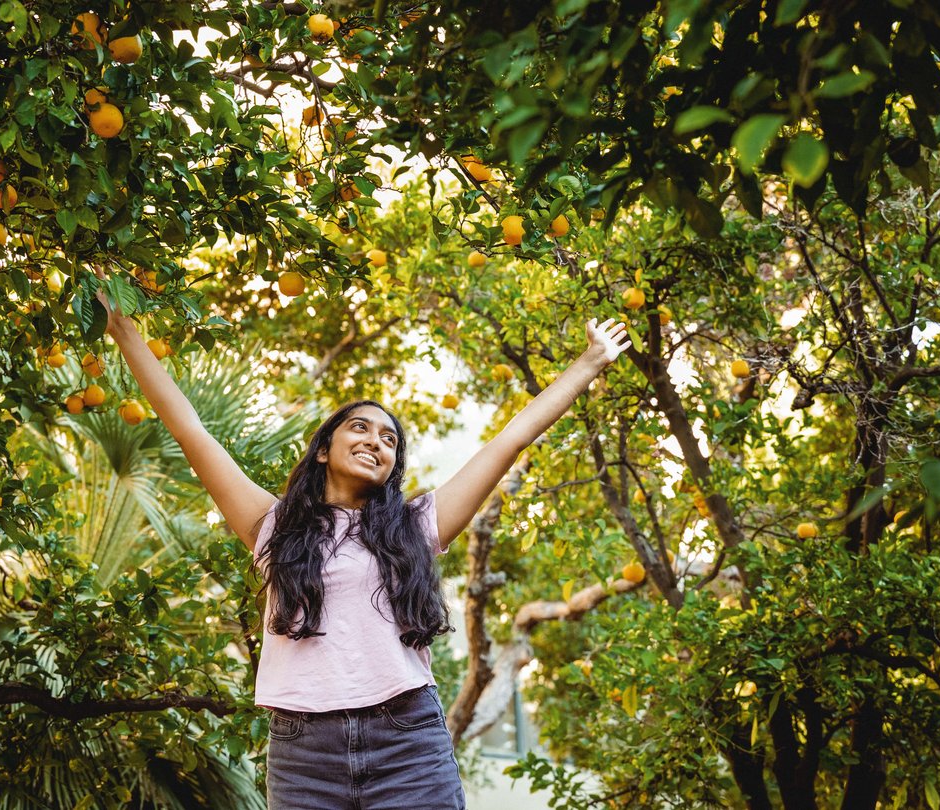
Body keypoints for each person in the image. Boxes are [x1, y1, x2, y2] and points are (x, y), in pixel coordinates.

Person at [99, 298, 630, 809]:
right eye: (360, 427)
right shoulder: (273, 525)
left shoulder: (417, 526)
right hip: (304, 752)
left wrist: (589, 362)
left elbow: (508, 441)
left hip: (407, 742)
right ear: (324, 449)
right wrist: (124, 331)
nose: (377, 441)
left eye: (390, 440)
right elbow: (190, 430)